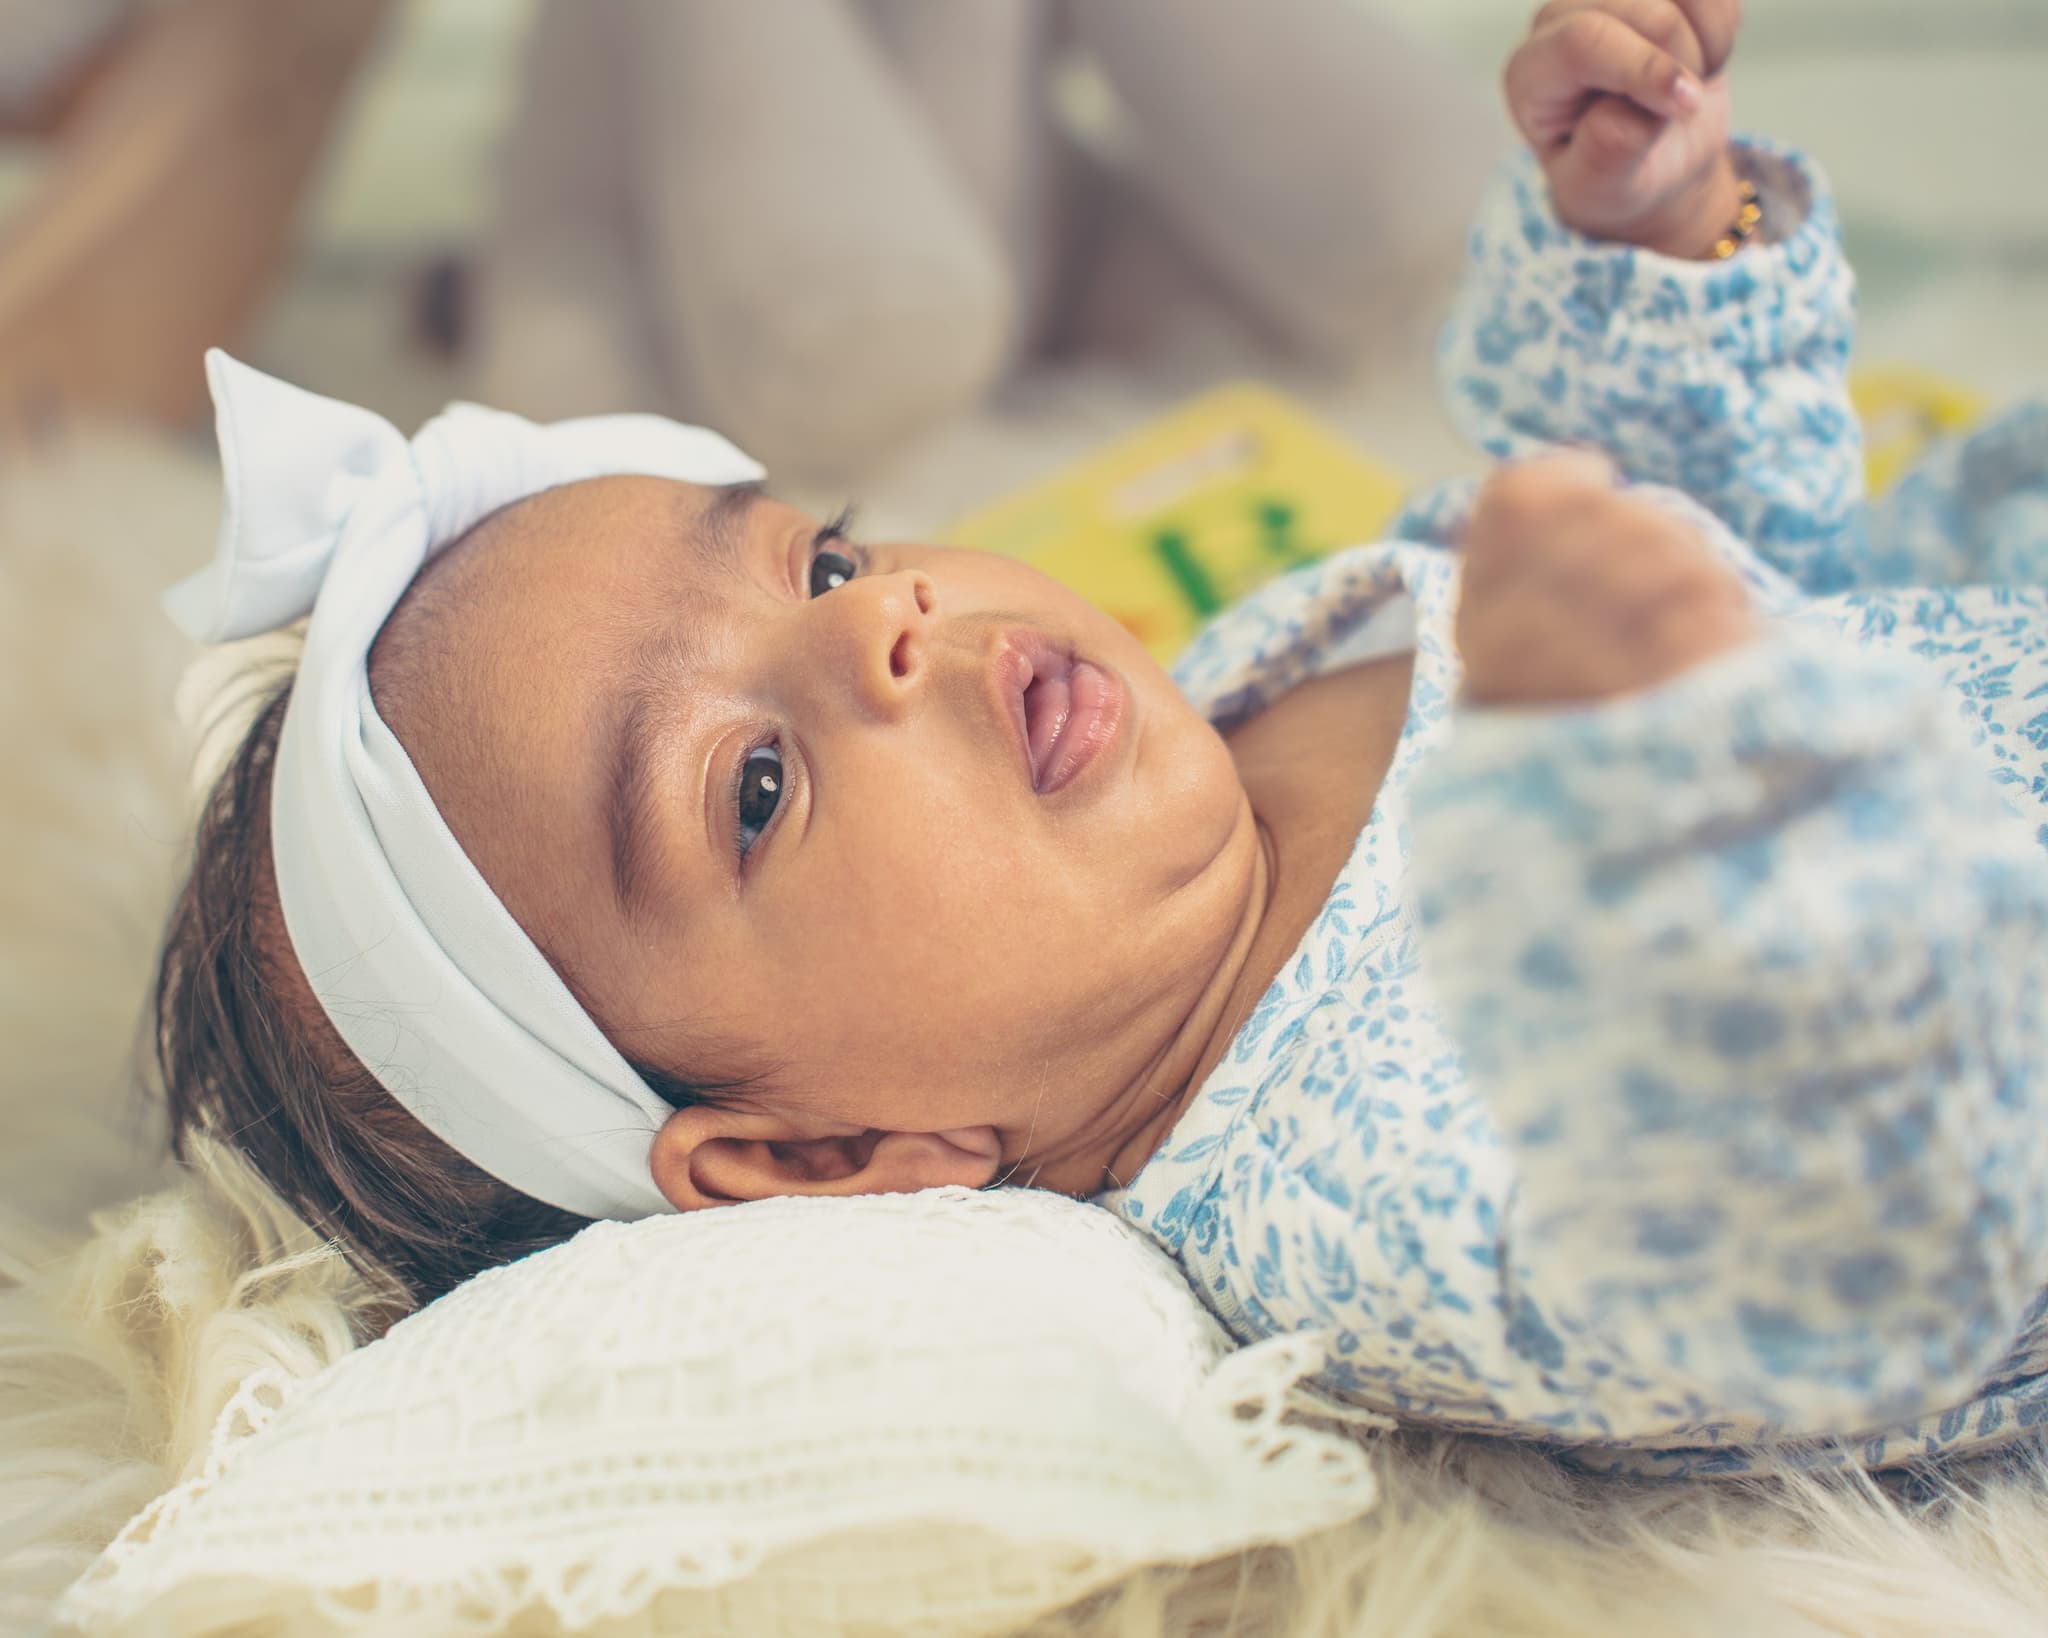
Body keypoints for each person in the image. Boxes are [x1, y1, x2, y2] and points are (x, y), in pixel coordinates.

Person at [153, 0, 2048, 1477]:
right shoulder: (1362, 1187)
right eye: (755, 783)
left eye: (818, 557)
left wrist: (1653, 243)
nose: (884, 624)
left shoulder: (1259, 677)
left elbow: (1760, 551)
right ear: (818, 1161)